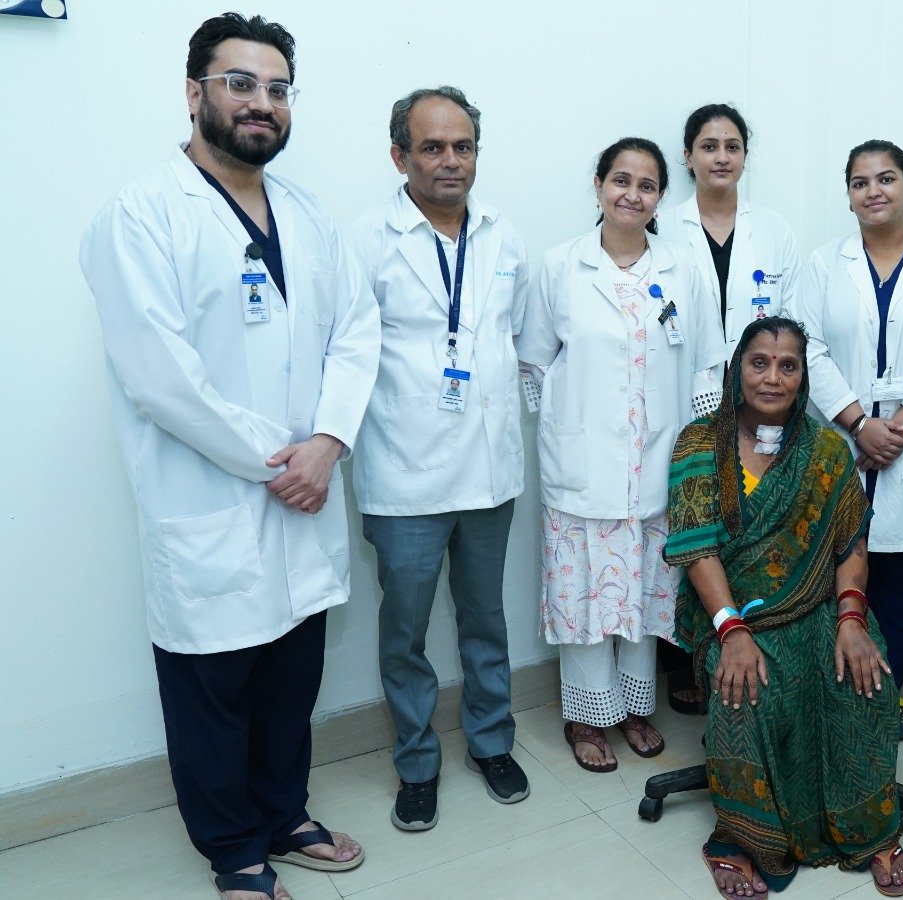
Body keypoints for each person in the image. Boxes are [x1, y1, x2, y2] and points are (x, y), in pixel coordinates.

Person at [78, 13, 377, 900]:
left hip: (305, 494)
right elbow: (160, 377)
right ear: (194, 92)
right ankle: (235, 851)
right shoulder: (140, 215)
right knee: (211, 691)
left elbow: (357, 334)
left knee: (290, 677)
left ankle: (284, 814)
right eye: (240, 83)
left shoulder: (309, 216)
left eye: (277, 89)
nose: (261, 103)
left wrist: (328, 443)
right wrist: (282, 463)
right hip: (210, 500)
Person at [666, 316, 903, 898]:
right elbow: (696, 548)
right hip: (731, 617)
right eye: (759, 363)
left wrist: (851, 620)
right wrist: (732, 631)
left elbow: (851, 544)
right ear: (738, 369)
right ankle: (742, 839)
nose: (772, 378)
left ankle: (868, 826)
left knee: (862, 676)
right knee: (746, 689)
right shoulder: (700, 443)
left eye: (787, 366)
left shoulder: (826, 449)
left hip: (816, 606)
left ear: (803, 377)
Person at [343, 86, 535, 831]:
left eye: (463, 146)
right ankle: (417, 762)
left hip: (489, 469)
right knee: (406, 631)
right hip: (405, 473)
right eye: (432, 147)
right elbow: (345, 353)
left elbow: (517, 341)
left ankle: (491, 742)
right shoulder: (365, 241)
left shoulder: (503, 235)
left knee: (486, 618)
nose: (450, 160)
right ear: (400, 156)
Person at [521, 137, 722, 772]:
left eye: (647, 185)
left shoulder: (683, 267)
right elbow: (534, 363)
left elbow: (706, 363)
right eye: (621, 180)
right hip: (582, 467)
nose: (632, 194)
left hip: (657, 466)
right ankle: (585, 715)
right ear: (599, 185)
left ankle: (635, 708)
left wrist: (695, 450)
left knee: (644, 594)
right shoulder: (560, 266)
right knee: (584, 596)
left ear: (660, 196)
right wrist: (569, 425)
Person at [792, 139, 903, 742]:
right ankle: (837, 698)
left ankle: (887, 698)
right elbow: (807, 348)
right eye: (860, 182)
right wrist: (860, 423)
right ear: (849, 197)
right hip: (844, 444)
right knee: (833, 581)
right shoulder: (822, 265)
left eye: (886, 178)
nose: (874, 191)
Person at [659, 103, 802, 714]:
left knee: (746, 518)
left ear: (745, 156)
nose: (721, 157)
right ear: (688, 156)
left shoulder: (774, 229)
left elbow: (789, 323)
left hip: (757, 394)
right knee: (688, 519)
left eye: (732, 146)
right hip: (678, 395)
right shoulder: (662, 225)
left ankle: (748, 638)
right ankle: (684, 656)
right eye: (709, 145)